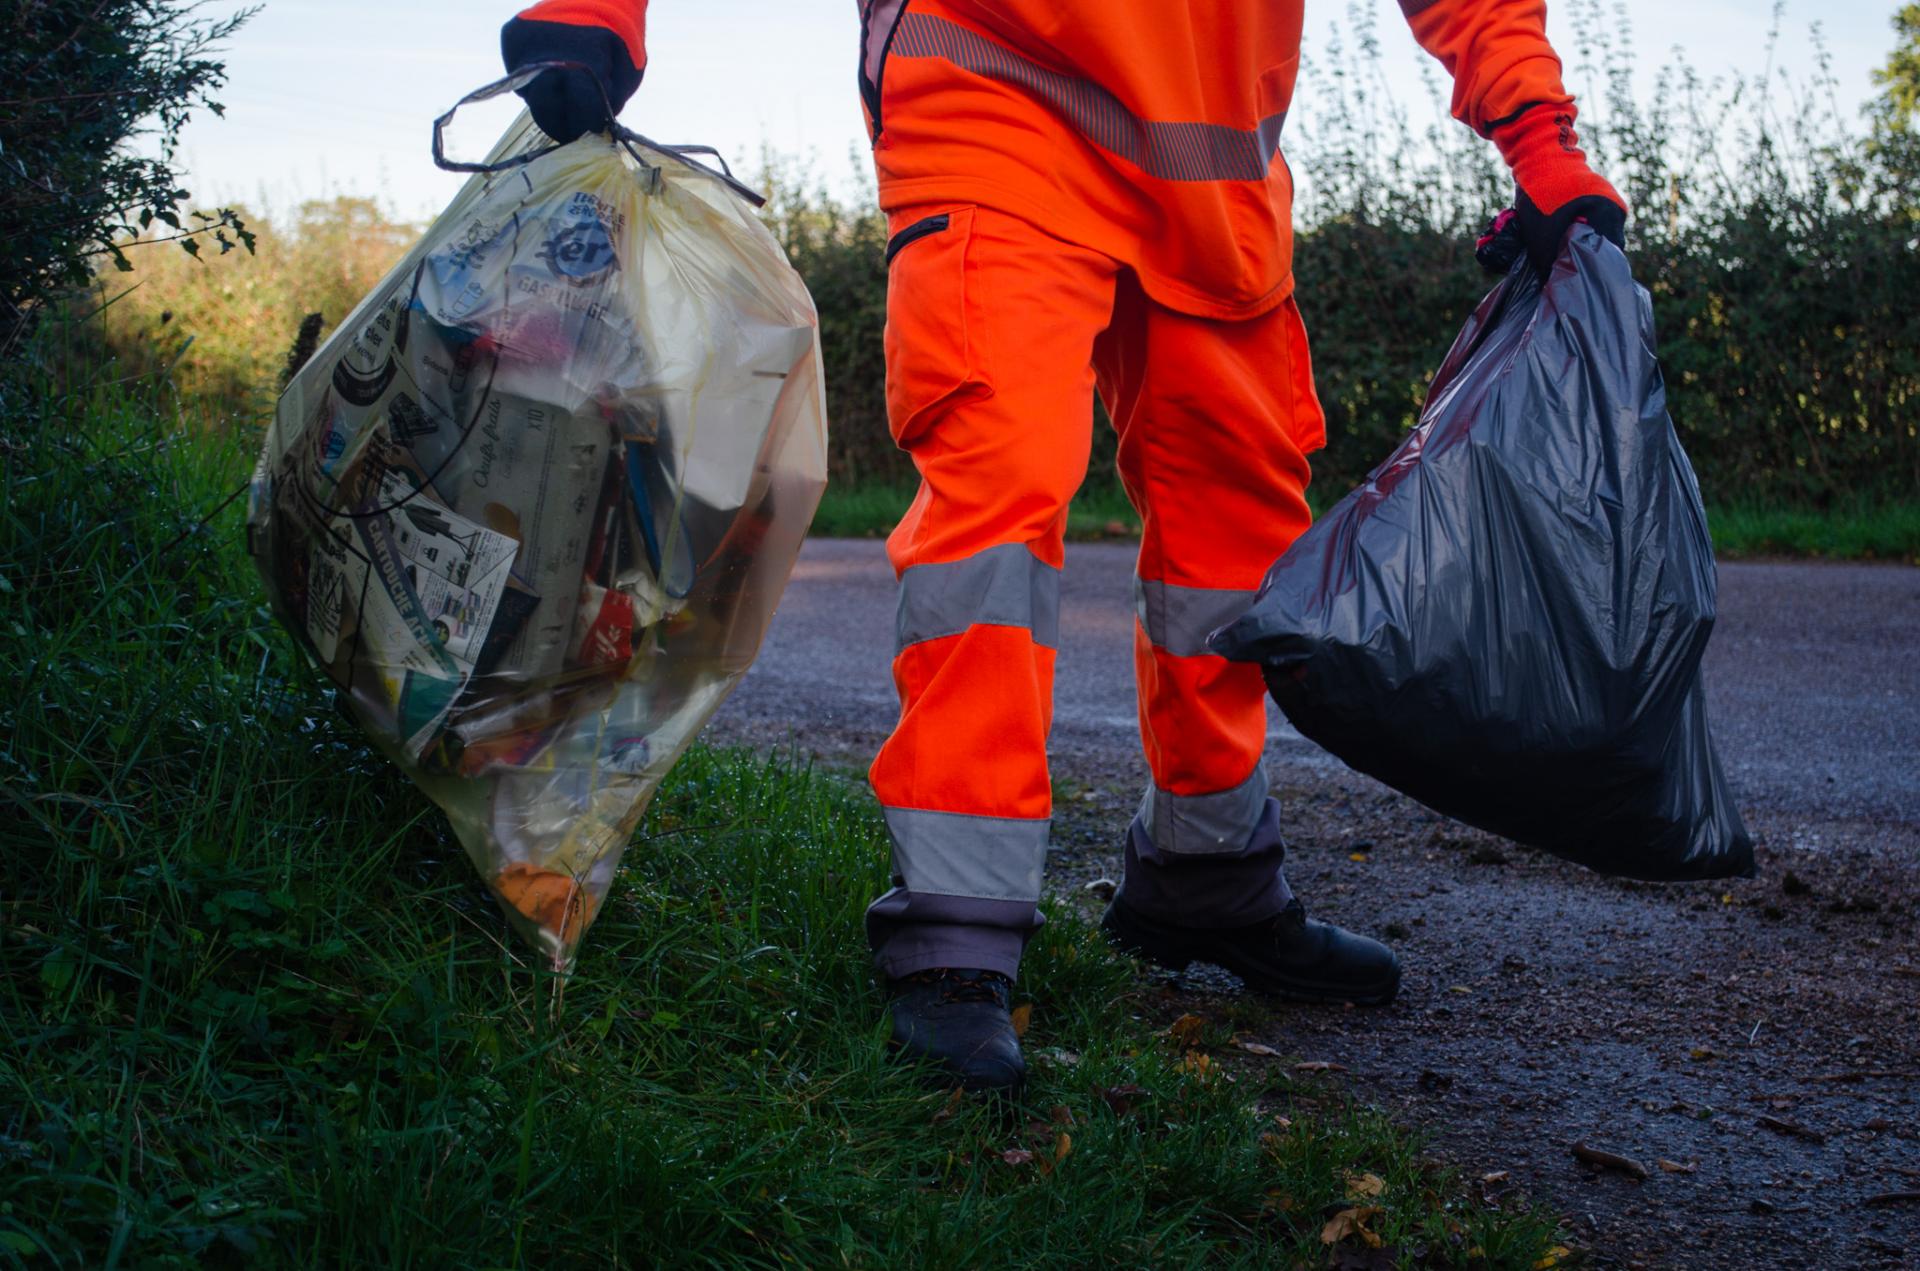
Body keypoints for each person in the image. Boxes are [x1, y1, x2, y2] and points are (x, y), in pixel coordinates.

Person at [498, 0, 1628, 1092]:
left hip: (1212, 168)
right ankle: (955, 928)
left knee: (1234, 536)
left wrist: (1539, 135)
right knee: (1000, 495)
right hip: (998, 95)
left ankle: (1208, 868)